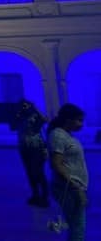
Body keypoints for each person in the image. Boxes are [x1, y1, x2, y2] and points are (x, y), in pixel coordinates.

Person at [48, 103, 88, 241]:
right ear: (68, 119)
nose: (81, 124)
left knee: (77, 225)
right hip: (69, 188)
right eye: (79, 120)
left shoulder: (65, 135)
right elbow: (56, 164)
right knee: (78, 227)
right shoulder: (58, 136)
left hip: (74, 187)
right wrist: (76, 188)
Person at [13, 99, 49, 207]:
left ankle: (44, 197)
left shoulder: (36, 116)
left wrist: (35, 107)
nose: (25, 107)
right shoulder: (20, 117)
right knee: (29, 172)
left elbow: (45, 119)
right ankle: (35, 194)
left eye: (26, 105)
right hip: (24, 147)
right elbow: (13, 126)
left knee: (38, 172)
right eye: (23, 105)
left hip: (37, 147)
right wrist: (18, 112)